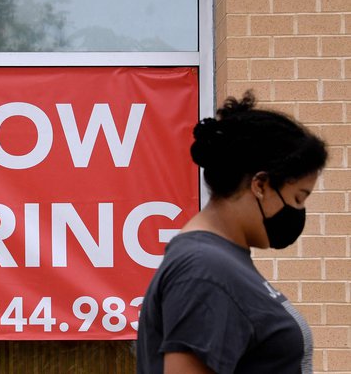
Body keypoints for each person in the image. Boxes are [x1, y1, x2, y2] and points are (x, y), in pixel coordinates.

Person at [137, 91, 328, 374]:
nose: (298, 211)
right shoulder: (203, 269)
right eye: (298, 198)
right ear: (260, 185)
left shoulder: (222, 259)